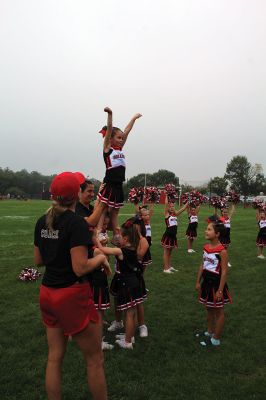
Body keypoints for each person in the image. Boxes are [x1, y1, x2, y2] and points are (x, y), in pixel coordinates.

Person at [34, 171, 111, 400]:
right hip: (71, 295)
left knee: (54, 357)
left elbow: (38, 261)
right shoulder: (75, 223)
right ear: (75, 195)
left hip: (47, 293)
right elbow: (80, 267)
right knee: (95, 360)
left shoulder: (42, 220)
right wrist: (100, 258)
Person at [97, 107, 142, 242]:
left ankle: (116, 233)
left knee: (115, 211)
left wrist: (133, 118)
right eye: (119, 137)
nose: (122, 140)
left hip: (118, 185)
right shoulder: (107, 149)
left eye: (122, 138)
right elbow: (110, 128)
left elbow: (127, 130)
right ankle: (100, 231)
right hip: (109, 183)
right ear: (110, 138)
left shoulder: (120, 148)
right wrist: (110, 114)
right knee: (103, 209)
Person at [110, 218, 147, 349]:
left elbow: (105, 250)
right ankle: (128, 336)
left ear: (125, 239)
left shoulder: (121, 251)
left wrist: (95, 239)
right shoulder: (133, 248)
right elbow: (115, 241)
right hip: (134, 282)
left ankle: (127, 342)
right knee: (130, 312)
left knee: (130, 313)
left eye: (121, 236)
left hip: (128, 284)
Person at [195, 218, 232, 346]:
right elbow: (202, 265)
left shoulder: (222, 251)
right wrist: (198, 282)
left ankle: (216, 339)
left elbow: (225, 272)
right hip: (206, 282)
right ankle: (210, 331)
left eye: (209, 229)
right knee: (209, 308)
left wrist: (220, 290)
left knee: (219, 311)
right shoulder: (205, 247)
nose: (206, 231)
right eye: (207, 229)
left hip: (216, 284)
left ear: (217, 234)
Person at [161, 195, 188, 273]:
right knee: (166, 252)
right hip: (168, 236)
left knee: (170, 252)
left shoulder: (175, 214)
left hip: (173, 236)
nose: (172, 208)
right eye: (170, 206)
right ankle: (165, 269)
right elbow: (166, 203)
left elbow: (183, 209)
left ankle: (169, 266)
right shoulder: (167, 214)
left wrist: (188, 202)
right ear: (168, 208)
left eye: (173, 206)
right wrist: (166, 194)